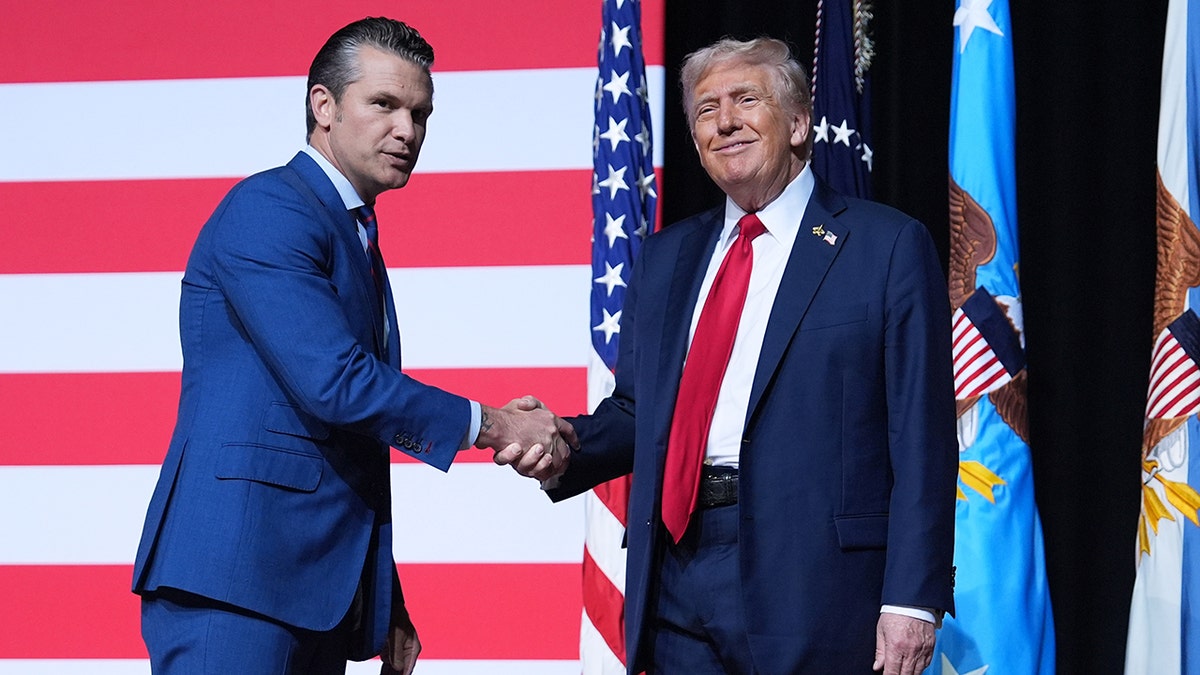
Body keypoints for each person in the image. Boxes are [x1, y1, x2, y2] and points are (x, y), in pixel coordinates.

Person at [499, 37, 958, 674]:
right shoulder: (665, 258)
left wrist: (912, 598)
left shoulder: (886, 245)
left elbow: (922, 436)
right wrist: (562, 444)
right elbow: (638, 413)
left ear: (798, 124)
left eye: (746, 100)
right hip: (675, 569)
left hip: (817, 584)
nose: (725, 121)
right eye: (706, 109)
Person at [132, 17, 573, 675]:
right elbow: (336, 383)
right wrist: (496, 424)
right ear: (324, 106)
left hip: (313, 594)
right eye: (385, 104)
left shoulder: (351, 231)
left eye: (420, 114)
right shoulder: (270, 208)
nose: (407, 130)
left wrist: (380, 594)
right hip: (236, 582)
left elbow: (345, 443)